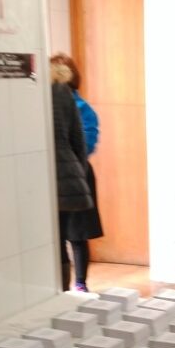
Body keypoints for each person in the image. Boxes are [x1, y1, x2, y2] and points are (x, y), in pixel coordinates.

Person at [51, 54, 104, 292]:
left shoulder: (82, 108)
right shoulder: (45, 101)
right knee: (59, 235)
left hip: (77, 176)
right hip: (66, 175)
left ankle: (80, 283)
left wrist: (73, 166)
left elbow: (87, 144)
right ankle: (64, 286)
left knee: (77, 234)